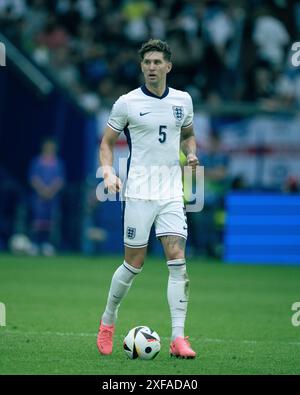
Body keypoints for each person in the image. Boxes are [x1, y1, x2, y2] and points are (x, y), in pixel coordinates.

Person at [97, 39, 199, 358]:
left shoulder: (183, 100)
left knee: (177, 257)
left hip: (170, 191)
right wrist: (108, 172)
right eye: (147, 63)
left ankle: (178, 338)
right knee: (134, 263)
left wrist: (192, 153)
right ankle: (108, 321)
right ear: (141, 67)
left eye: (158, 62)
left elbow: (187, 135)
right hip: (140, 191)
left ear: (168, 66)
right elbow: (107, 142)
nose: (152, 68)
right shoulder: (127, 102)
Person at [28, 137, 65, 255]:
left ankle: (46, 244)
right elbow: (33, 178)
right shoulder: (37, 161)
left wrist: (51, 191)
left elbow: (60, 180)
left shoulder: (58, 163)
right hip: (38, 197)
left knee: (50, 221)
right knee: (37, 220)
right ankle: (35, 243)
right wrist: (42, 190)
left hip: (52, 197)